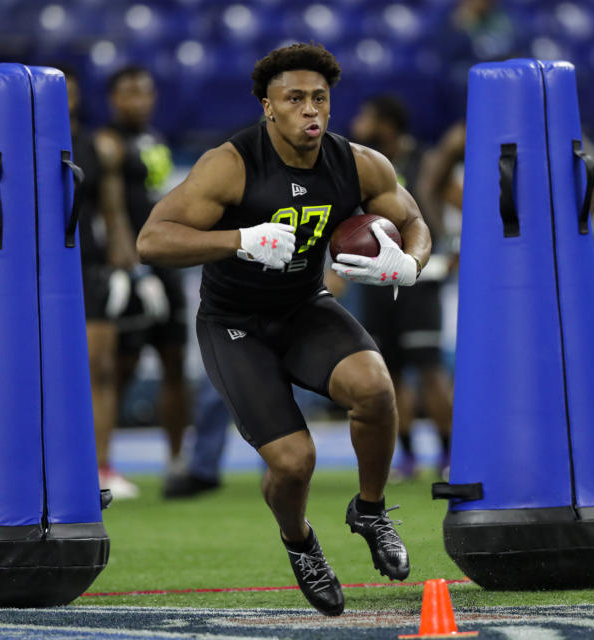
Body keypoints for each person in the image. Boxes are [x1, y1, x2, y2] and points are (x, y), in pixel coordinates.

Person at [137, 43, 430, 615]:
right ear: (267, 105)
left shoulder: (358, 162)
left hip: (302, 307)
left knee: (374, 388)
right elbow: (153, 240)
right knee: (294, 462)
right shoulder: (232, 163)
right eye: (294, 98)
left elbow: (414, 219)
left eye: (319, 98)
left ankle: (369, 510)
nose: (309, 110)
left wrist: (410, 263)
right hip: (234, 324)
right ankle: (299, 542)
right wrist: (238, 239)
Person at [348, 94, 454, 480]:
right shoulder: (364, 166)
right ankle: (406, 456)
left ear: (387, 125)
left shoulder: (423, 163)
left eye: (366, 115)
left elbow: (465, 202)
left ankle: (448, 454)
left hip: (418, 277)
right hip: (376, 276)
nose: (358, 125)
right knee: (388, 371)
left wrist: (454, 248)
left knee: (428, 368)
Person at [99, 65, 191, 499]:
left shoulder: (154, 138)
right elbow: (110, 210)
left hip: (166, 267)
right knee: (120, 367)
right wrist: (131, 267)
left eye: (144, 92)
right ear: (113, 99)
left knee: (175, 360)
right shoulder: (108, 143)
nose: (138, 101)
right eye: (128, 94)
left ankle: (176, 462)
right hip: (132, 266)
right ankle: (101, 463)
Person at [59, 66, 142, 499]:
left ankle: (101, 468)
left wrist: (128, 270)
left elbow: (114, 213)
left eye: (69, 92)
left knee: (101, 367)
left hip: (87, 266)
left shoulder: (97, 147)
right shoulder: (16, 145)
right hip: (35, 271)